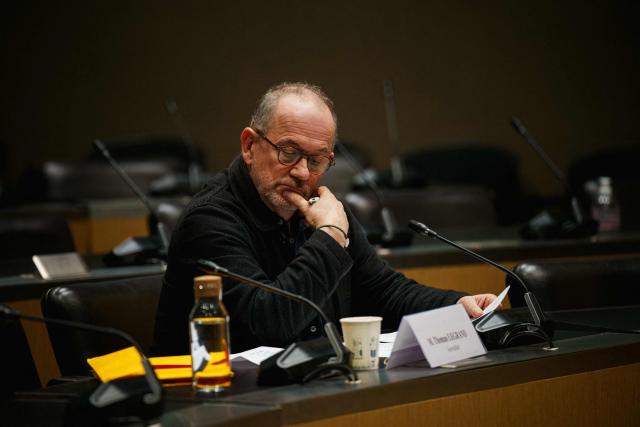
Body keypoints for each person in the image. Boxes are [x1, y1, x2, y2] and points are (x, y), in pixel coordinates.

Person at [152, 82, 497, 355]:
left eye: (317, 160)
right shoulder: (209, 220)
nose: (303, 172)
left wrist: (453, 304)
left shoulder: (320, 209)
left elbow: (382, 290)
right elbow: (270, 322)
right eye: (289, 153)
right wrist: (330, 235)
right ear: (249, 146)